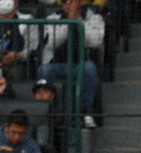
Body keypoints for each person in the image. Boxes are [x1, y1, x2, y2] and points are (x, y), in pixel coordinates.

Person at [39, 0, 104, 128]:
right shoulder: (53, 18)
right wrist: (69, 21)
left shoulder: (94, 18)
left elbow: (95, 41)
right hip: (57, 64)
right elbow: (53, 42)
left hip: (80, 64)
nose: (68, 4)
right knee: (43, 70)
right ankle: (50, 112)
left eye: (71, 1)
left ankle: (86, 113)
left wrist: (78, 20)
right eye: (64, 1)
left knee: (90, 69)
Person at [0, 0, 39, 81]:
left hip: (18, 64)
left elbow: (33, 47)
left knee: (16, 73)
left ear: (16, 2)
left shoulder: (28, 20)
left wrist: (19, 56)